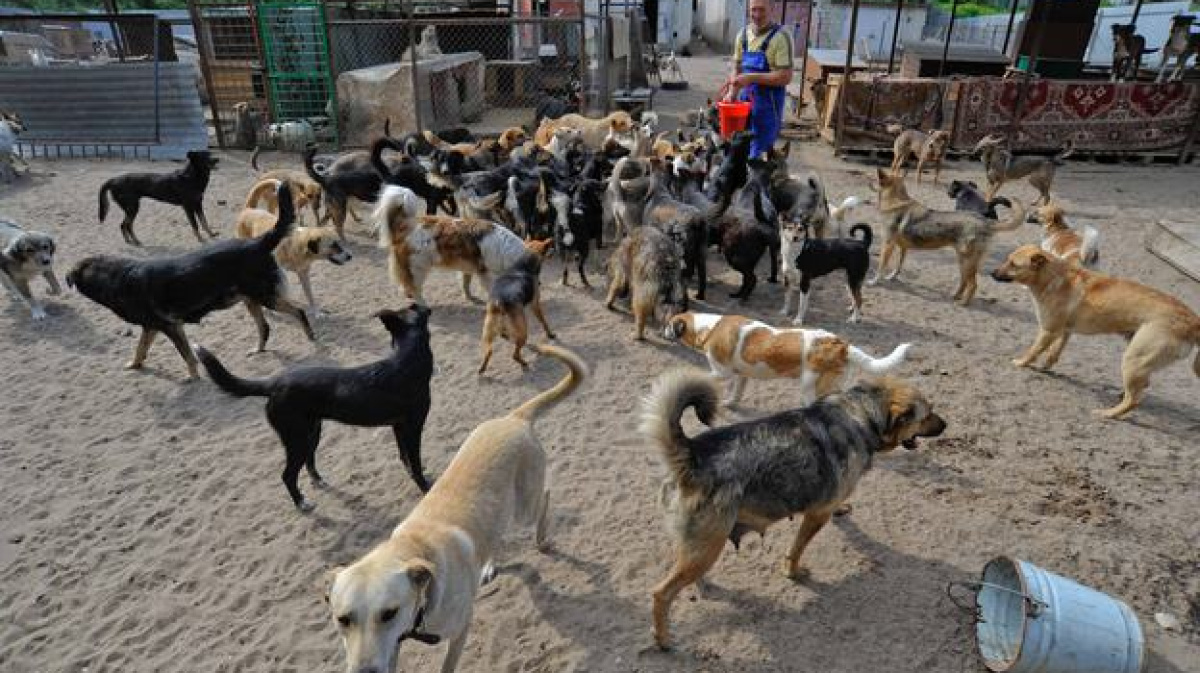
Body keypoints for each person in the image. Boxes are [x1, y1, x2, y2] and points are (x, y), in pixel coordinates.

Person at [722, 0, 794, 159]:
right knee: (737, 151)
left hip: (768, 107)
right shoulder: (742, 35)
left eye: (762, 10)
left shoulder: (781, 37)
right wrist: (732, 92)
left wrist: (751, 77)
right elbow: (737, 66)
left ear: (772, 8)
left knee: (758, 158)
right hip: (743, 104)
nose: (757, 15)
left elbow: (785, 76)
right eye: (753, 10)